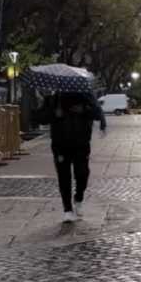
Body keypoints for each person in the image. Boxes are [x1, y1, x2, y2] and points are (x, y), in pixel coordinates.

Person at [33, 92, 106, 223]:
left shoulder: (86, 96)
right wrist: (54, 113)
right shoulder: (54, 98)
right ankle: (67, 209)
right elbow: (39, 118)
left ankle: (78, 198)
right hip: (60, 144)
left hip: (81, 143)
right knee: (63, 176)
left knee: (82, 173)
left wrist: (84, 109)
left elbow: (97, 113)